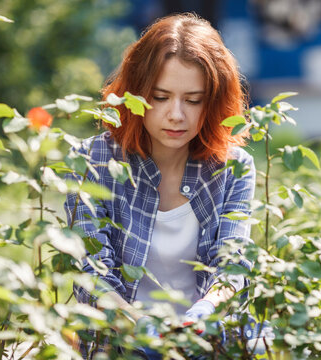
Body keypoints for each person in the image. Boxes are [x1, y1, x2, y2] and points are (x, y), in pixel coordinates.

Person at [64, 13, 256, 358]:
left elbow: (233, 262)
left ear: (213, 102)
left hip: (204, 342)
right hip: (119, 341)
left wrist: (202, 316)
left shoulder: (233, 168)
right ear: (136, 94)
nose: (176, 115)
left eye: (193, 100)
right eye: (160, 97)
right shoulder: (92, 161)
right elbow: (91, 271)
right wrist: (142, 329)